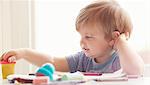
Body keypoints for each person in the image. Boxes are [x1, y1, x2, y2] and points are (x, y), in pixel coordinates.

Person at [0, 0, 144, 75]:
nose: (81, 42)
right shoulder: (83, 59)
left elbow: (135, 70)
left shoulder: (121, 59)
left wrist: (121, 41)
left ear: (114, 38)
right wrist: (24, 53)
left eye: (88, 36)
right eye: (81, 35)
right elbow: (53, 61)